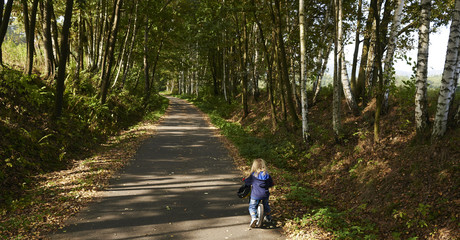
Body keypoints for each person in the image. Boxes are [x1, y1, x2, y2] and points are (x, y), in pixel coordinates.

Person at [244, 158, 274, 228]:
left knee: (252, 207)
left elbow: (247, 183)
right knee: (266, 205)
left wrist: (245, 180)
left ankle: (254, 217)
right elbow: (271, 184)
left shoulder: (253, 176)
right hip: (265, 195)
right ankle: (268, 217)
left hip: (255, 195)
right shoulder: (267, 175)